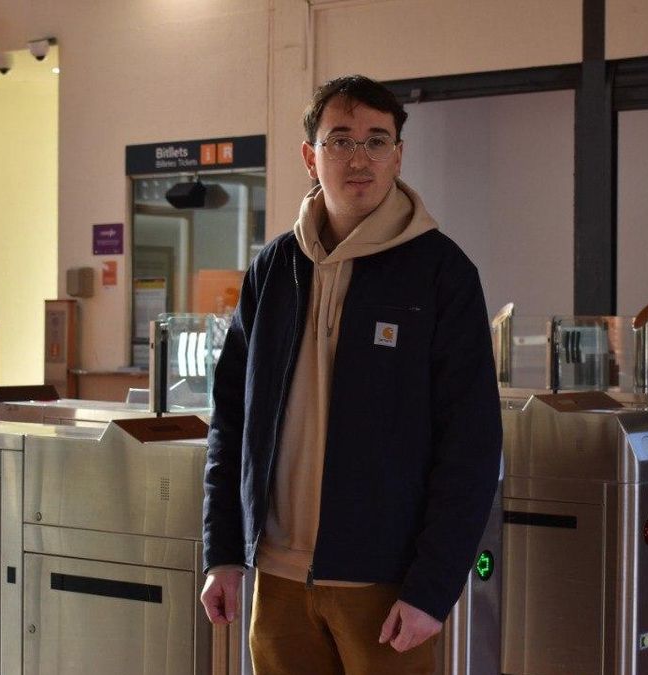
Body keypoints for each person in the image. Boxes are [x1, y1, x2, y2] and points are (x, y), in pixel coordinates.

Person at [200, 74, 502, 675]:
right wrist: (225, 554)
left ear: (397, 155)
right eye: (340, 140)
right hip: (279, 579)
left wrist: (432, 588)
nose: (359, 157)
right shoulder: (273, 269)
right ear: (311, 156)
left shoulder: (441, 273)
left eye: (376, 140)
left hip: (385, 585)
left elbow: (471, 444)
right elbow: (231, 420)